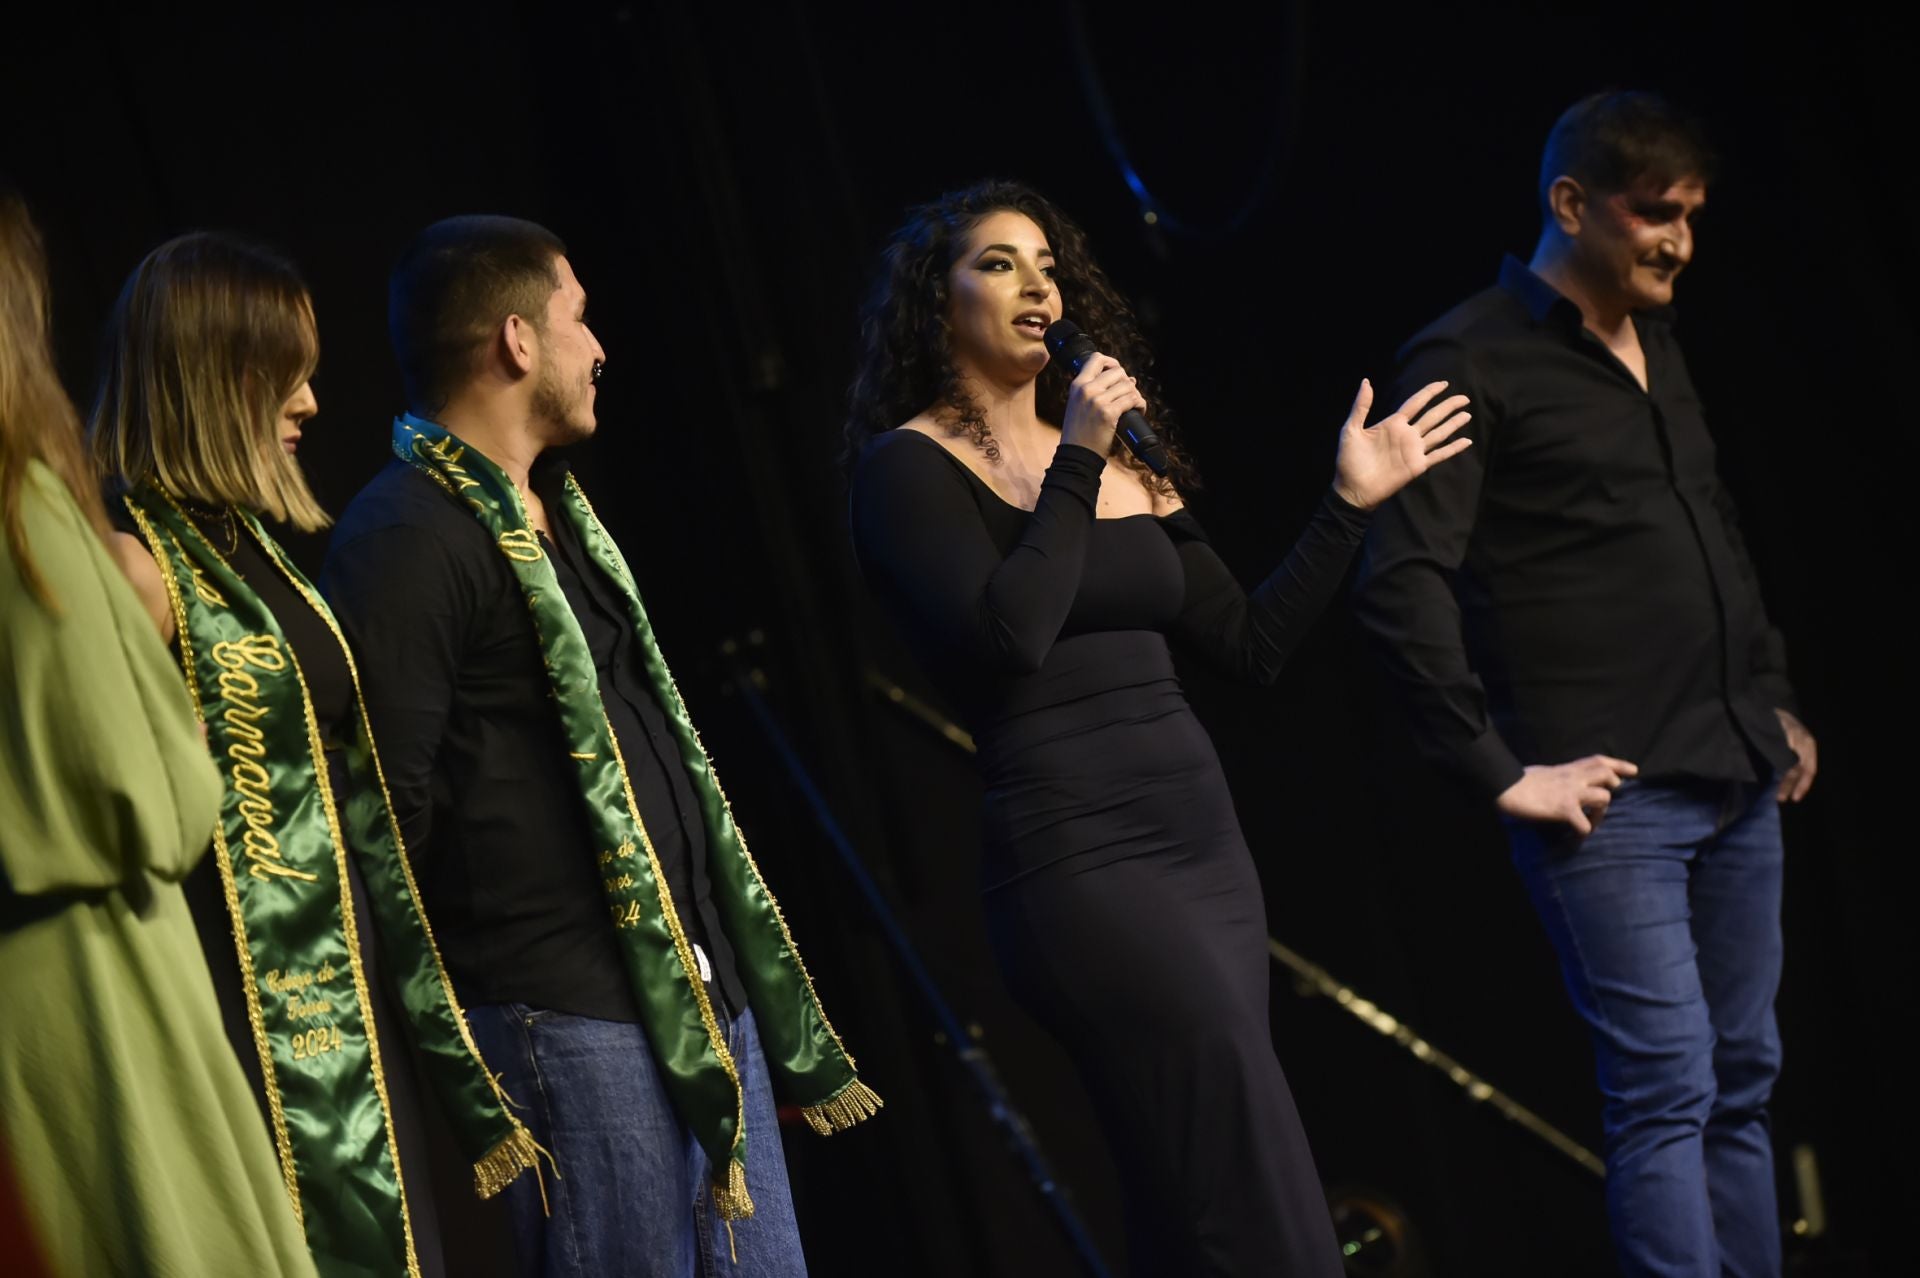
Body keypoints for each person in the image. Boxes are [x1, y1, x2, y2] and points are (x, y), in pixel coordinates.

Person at [844, 178, 1472, 1276]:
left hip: (1204, 849)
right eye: (998, 263)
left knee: (1187, 1193)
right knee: (1246, 1158)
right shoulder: (906, 469)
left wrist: (1347, 506)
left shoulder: (1130, 456)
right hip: (1080, 861)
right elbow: (1010, 636)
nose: (1036, 283)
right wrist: (1077, 457)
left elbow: (1249, 644)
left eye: (1047, 264)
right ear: (933, 303)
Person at [321, 215, 879, 1278]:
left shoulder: (563, 516)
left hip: (697, 1000)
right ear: (518, 341)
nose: (600, 348)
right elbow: (386, 814)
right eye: (580, 318)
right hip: (570, 1020)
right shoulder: (404, 536)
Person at [1353, 92, 1815, 1278]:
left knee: (1743, 1085)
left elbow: (1709, 521)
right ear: (1571, 204)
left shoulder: (1656, 343)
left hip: (1734, 770)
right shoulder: (1467, 357)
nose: (1680, 242)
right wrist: (1495, 771)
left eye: (1692, 217)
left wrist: (1766, 690)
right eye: (1655, 214)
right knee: (1668, 1093)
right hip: (1616, 803)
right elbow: (1402, 579)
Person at [93, 231, 538, 1277]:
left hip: (345, 999)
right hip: (237, 995)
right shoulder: (133, 564)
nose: (310, 405)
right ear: (217, 381)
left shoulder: (253, 559)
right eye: (287, 377)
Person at [0, 190, 318, 1278]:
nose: (312, 402)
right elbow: (155, 794)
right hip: (106, 974)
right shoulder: (51, 520)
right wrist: (178, 749)